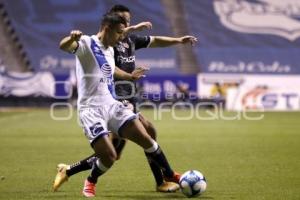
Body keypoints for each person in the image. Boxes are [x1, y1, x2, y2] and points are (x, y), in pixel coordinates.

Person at [53, 4, 197, 195]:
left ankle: (168, 176)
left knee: (147, 136)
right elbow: (65, 46)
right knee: (110, 155)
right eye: (121, 30)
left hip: (112, 104)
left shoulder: (112, 47)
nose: (123, 35)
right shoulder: (87, 44)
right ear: (108, 28)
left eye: (126, 26)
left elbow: (111, 69)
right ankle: (78, 174)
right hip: (92, 109)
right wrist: (71, 38)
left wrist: (130, 76)